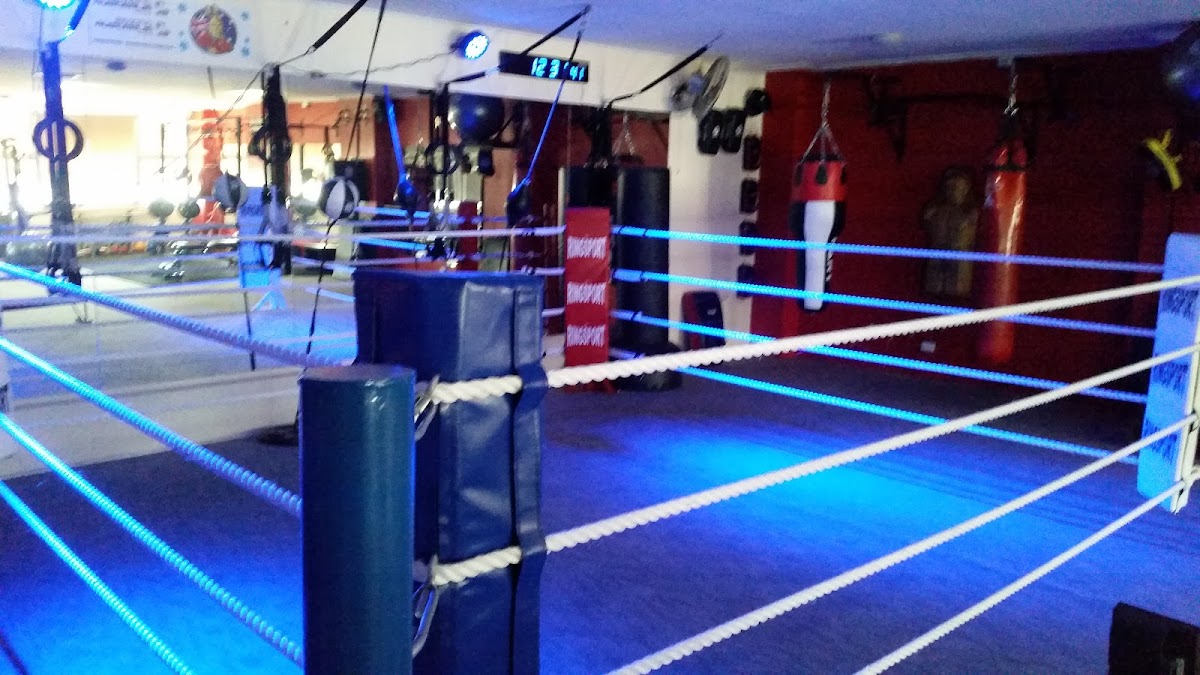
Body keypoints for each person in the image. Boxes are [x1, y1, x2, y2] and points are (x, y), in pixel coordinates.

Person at [920, 166, 978, 298]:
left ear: (965, 189)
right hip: (937, 253)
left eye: (957, 187)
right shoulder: (934, 211)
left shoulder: (970, 213)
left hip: (959, 256)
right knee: (934, 289)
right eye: (950, 187)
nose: (953, 191)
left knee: (956, 290)